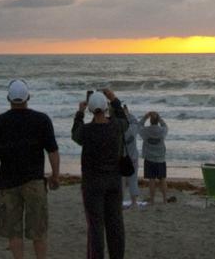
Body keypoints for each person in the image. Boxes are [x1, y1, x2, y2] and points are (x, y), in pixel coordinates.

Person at [0, 79, 61, 259]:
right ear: (28, 97)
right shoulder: (42, 119)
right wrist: (55, 176)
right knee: (38, 230)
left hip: (8, 182)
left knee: (14, 232)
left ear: (8, 98)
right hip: (34, 181)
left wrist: (7, 150)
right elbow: (52, 151)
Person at [72, 89, 128, 259]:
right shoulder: (116, 127)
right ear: (105, 108)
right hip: (113, 181)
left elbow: (75, 134)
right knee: (115, 224)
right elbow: (125, 120)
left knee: (95, 227)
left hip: (92, 183)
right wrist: (114, 99)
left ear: (90, 109)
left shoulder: (86, 131)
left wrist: (79, 113)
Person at [138, 110, 168, 204]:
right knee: (162, 179)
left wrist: (145, 116)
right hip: (160, 158)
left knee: (151, 180)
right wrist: (160, 119)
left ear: (150, 121)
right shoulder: (162, 131)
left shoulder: (146, 131)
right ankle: (164, 199)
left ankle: (152, 200)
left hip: (149, 158)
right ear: (157, 121)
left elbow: (139, 126)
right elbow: (166, 126)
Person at [120, 105, 144, 209]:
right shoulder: (132, 129)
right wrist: (128, 114)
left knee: (121, 182)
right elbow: (136, 122)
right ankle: (134, 202)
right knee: (133, 180)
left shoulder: (116, 129)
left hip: (120, 158)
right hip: (132, 157)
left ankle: (119, 202)